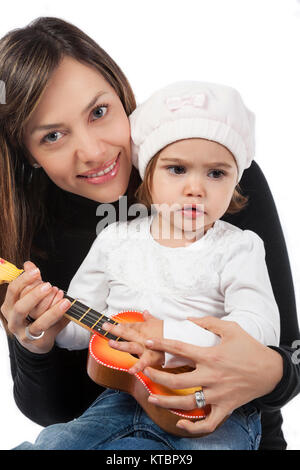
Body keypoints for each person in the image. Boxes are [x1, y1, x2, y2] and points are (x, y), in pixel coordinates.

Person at [0, 17, 298, 450]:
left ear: (123, 96)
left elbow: (285, 350)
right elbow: (55, 412)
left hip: (216, 426)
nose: (94, 151)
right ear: (26, 152)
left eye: (99, 112)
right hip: (113, 425)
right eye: (53, 136)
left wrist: (259, 366)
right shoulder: (38, 223)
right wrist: (36, 342)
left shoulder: (218, 173)